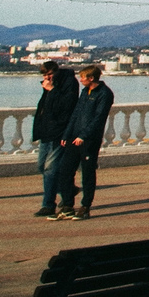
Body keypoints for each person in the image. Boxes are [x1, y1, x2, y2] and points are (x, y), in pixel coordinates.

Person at [52, 64, 115, 220]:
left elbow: (99, 118)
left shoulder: (104, 94)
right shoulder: (85, 92)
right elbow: (76, 115)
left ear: (91, 78)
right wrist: (66, 136)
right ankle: (67, 205)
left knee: (87, 174)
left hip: (89, 141)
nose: (80, 80)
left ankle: (85, 206)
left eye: (82, 78)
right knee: (64, 172)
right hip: (73, 138)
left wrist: (84, 136)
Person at [31, 60, 79, 217]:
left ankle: (48, 205)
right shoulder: (50, 84)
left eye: (49, 74)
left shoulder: (68, 83)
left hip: (59, 132)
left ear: (56, 71)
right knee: (41, 167)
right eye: (45, 75)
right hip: (46, 132)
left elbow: (65, 106)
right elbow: (45, 108)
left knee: (50, 169)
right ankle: (68, 190)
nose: (47, 77)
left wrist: (52, 90)